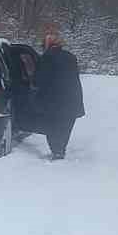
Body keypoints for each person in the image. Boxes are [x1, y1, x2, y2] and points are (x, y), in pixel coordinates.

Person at [36, 28, 85, 160]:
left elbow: (40, 79)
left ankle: (56, 151)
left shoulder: (46, 58)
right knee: (65, 127)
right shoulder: (71, 57)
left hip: (53, 100)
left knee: (51, 127)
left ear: (47, 45)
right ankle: (60, 150)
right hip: (72, 99)